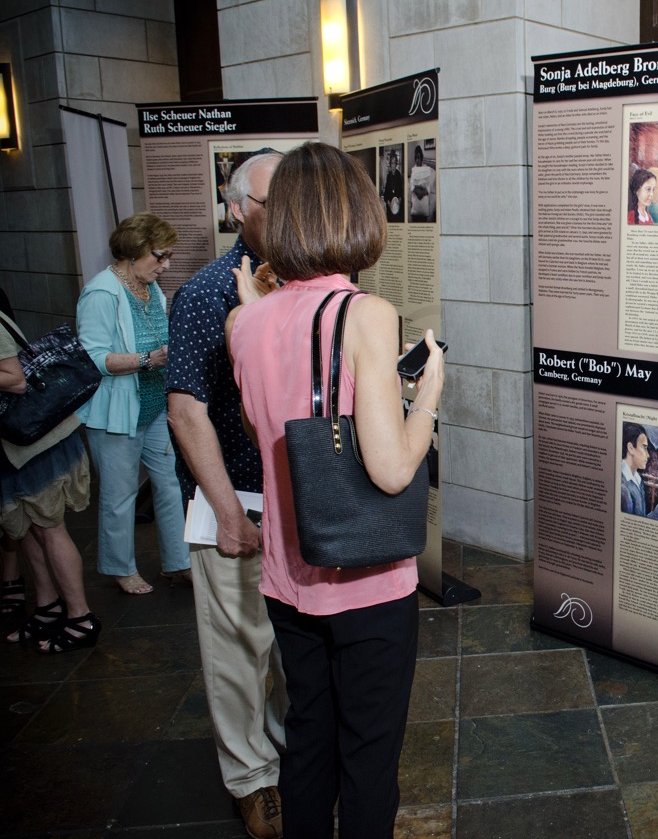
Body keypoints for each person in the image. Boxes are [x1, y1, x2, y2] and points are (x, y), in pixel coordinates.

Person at [227, 141, 444, 838]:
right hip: (366, 580)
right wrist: (428, 398)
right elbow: (390, 469)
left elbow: (265, 426)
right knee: (370, 753)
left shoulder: (246, 321)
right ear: (355, 215)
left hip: (288, 573)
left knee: (309, 733)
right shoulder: (367, 316)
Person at [167, 150, 287, 839]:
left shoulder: (309, 283)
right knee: (239, 652)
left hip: (300, 503)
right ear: (238, 208)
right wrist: (225, 511)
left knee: (290, 650)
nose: (291, 213)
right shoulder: (208, 293)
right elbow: (187, 412)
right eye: (275, 201)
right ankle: (252, 781)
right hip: (236, 499)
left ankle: (281, 752)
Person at [76, 213, 190, 595]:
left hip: (155, 404)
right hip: (117, 413)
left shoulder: (149, 287)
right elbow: (92, 359)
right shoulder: (101, 292)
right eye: (160, 256)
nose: (166, 265)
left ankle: (178, 562)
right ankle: (120, 568)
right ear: (134, 250)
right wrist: (146, 359)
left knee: (170, 484)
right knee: (119, 494)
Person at [1, 310, 97, 652]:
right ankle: (47, 606)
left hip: (33, 441)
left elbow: (14, 380)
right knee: (25, 530)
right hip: (11, 445)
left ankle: (80, 617)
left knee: (50, 529)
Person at [619, 424, 658, 524]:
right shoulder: (622, 486)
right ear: (630, 448)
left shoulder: (638, 480)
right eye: (644, 448)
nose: (648, 455)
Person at [408, 144, 436, 223]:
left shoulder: (427, 169)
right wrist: (418, 191)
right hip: (416, 198)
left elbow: (429, 184)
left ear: (422, 158)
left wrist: (423, 192)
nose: (417, 160)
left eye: (419, 157)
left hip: (424, 197)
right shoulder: (413, 170)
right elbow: (412, 186)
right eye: (416, 158)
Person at [382, 148, 404, 221]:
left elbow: (401, 191)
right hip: (390, 205)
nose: (393, 165)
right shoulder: (388, 176)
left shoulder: (399, 175)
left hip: (397, 204)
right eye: (392, 163)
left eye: (394, 163)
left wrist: (399, 200)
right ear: (390, 165)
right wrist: (388, 202)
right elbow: (386, 193)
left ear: (396, 164)